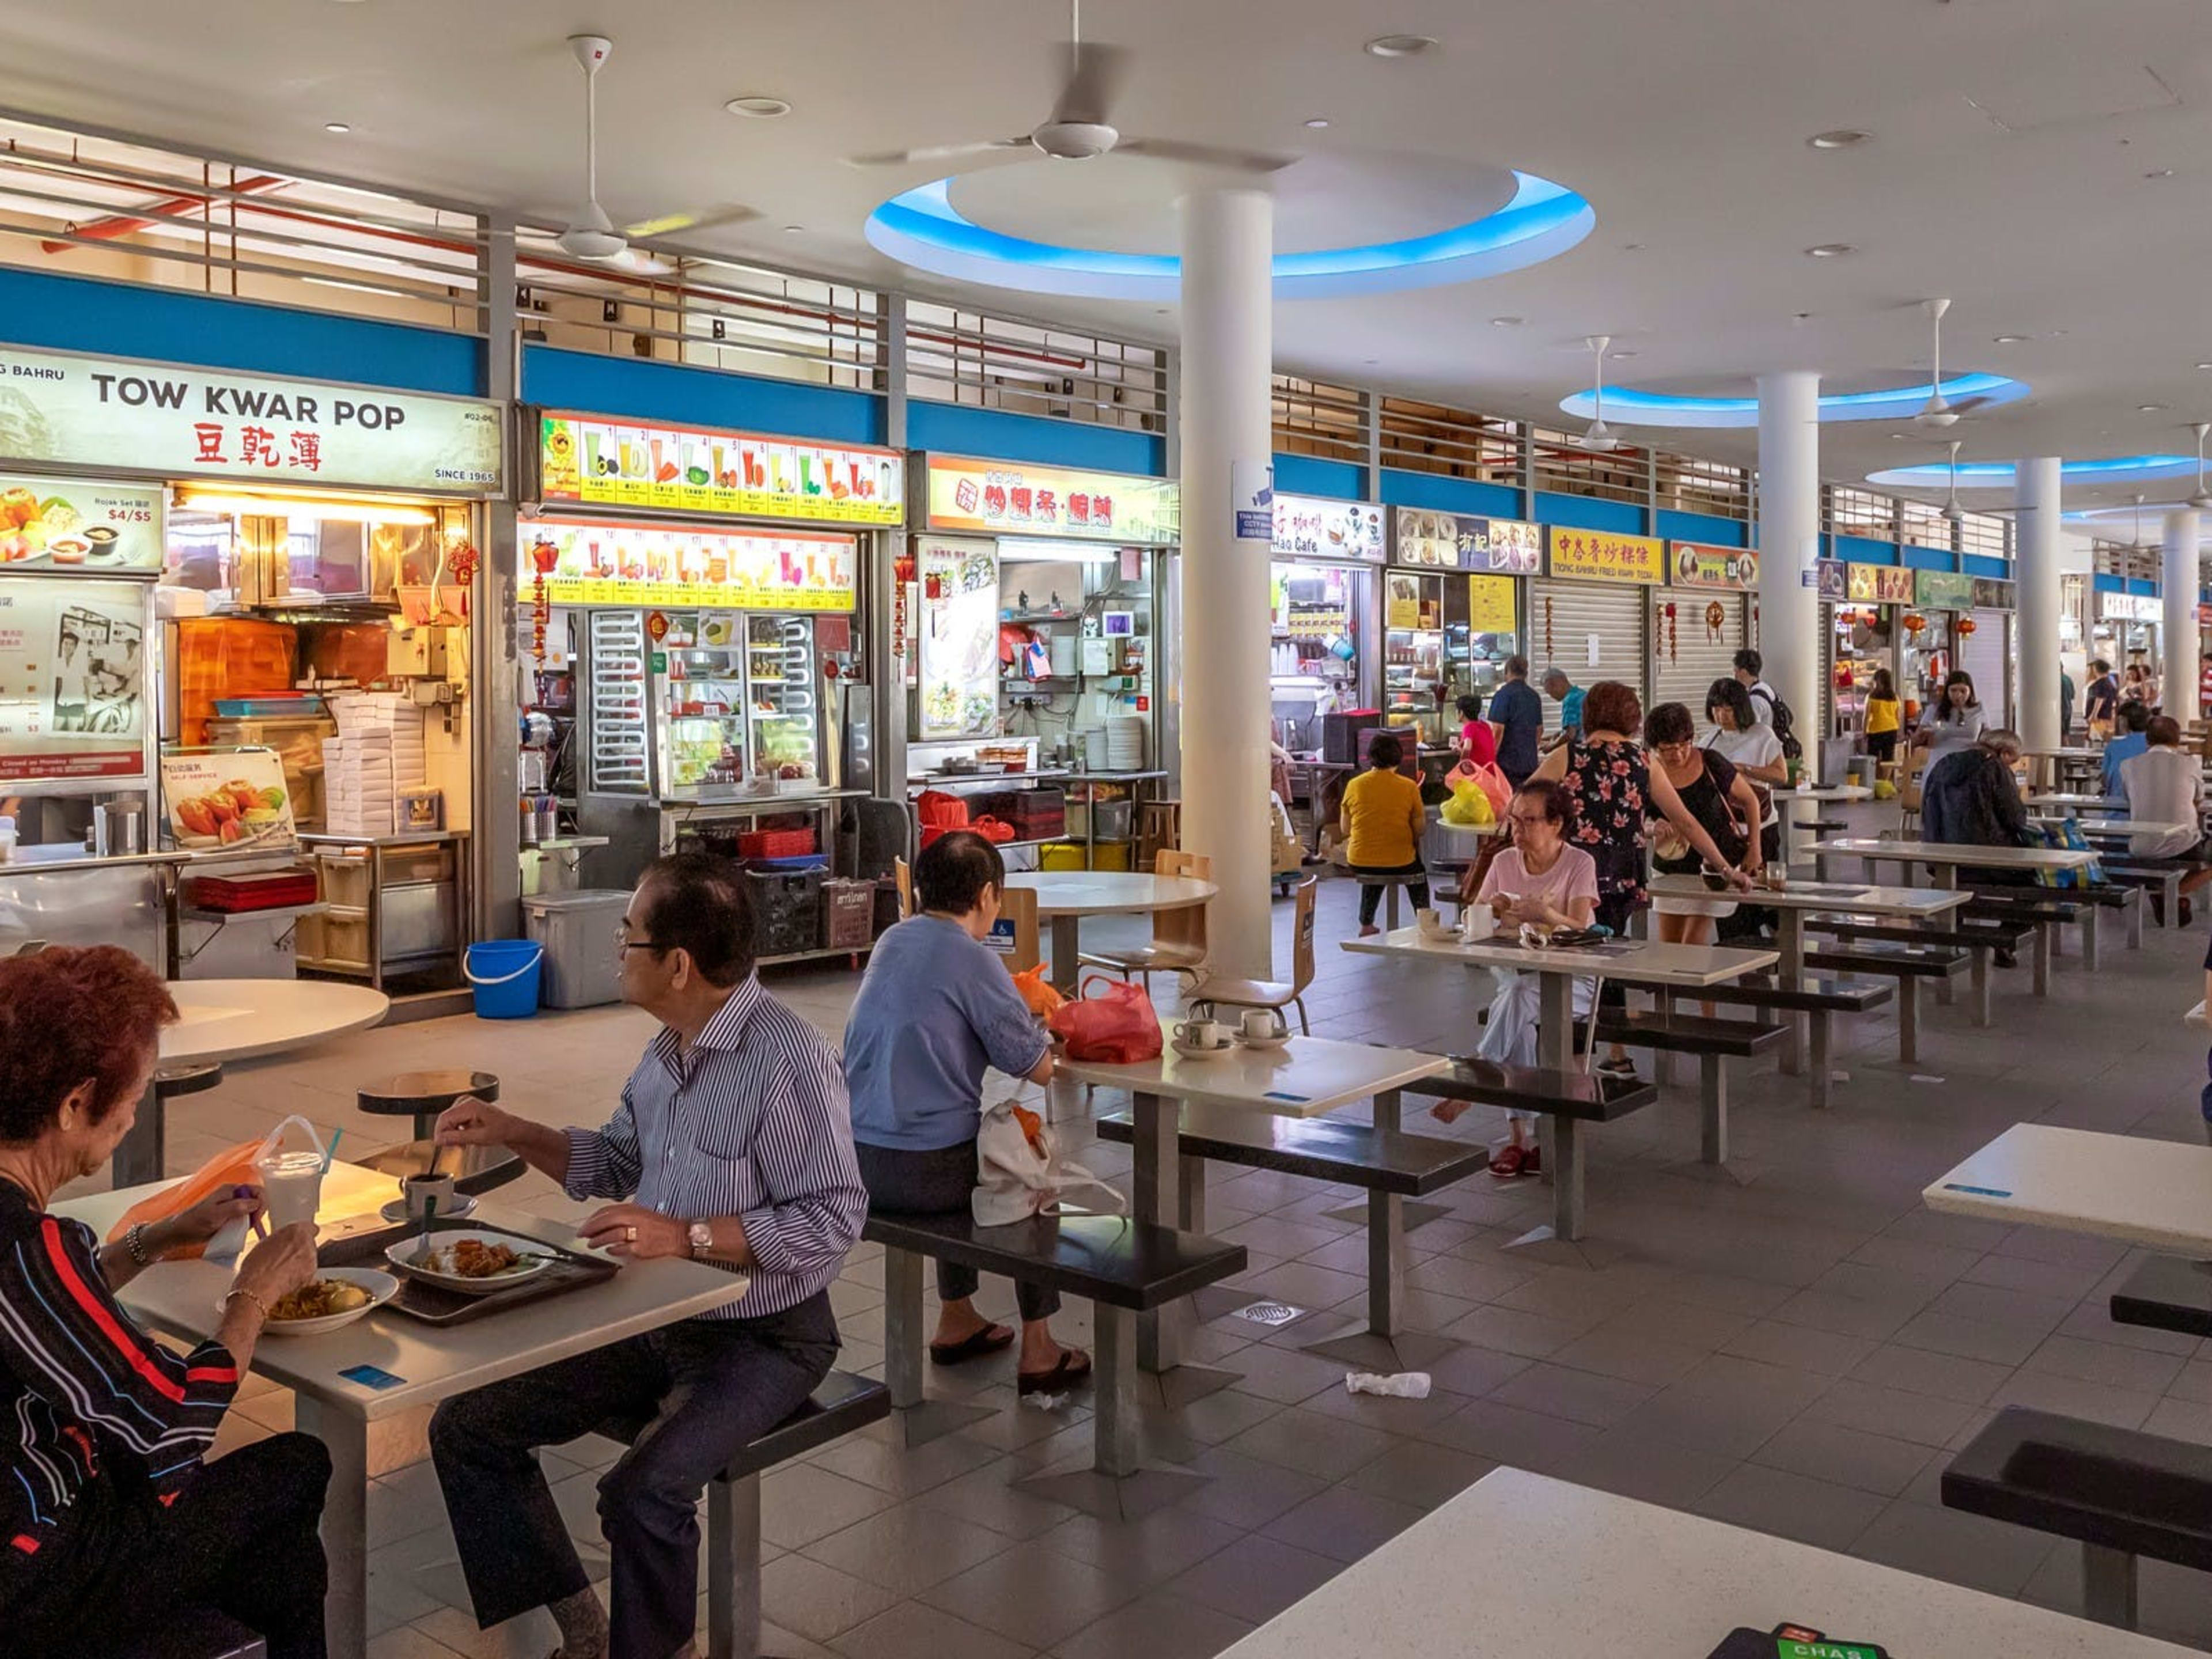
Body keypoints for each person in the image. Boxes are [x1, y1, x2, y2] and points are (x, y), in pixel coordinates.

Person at [430, 854, 866, 1659]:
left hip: (766, 1333)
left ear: (677, 964)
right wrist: (514, 1131)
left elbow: (834, 1217)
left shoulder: (788, 1061)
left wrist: (690, 1236)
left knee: (642, 1493)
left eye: (628, 937)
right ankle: (587, 1631)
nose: (615, 953)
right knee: (469, 1426)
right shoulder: (668, 1051)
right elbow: (617, 1163)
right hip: (655, 1313)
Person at [0, 946, 329, 1659]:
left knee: (264, 1547)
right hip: (30, 1571)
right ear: (75, 1104)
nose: (135, 1109)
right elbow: (171, 1425)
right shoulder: (27, 1245)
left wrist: (160, 1237)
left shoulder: (32, 1248)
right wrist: (255, 1292)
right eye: (138, 1090)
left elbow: (49, 1320)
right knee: (297, 1467)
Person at [843, 831, 1088, 1395]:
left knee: (971, 1140)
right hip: (922, 1173)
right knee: (1031, 1175)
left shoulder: (892, 941)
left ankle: (959, 1318)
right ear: (985, 897)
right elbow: (1038, 1068)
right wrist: (1043, 1017)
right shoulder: (973, 958)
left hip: (858, 1161)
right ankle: (1040, 1347)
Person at [1528, 681, 1755, 1078]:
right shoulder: (1642, 762)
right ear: (1632, 719)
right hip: (1619, 880)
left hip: (1570, 877)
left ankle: (1569, 1060)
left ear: (1590, 715)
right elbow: (1687, 821)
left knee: (1561, 963)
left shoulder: (1568, 755)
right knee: (1608, 960)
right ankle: (1616, 1054)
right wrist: (1725, 868)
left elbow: (1524, 799)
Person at [1429, 781, 1599, 1177]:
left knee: (1518, 999)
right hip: (1516, 973)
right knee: (1518, 1012)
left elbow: (1580, 929)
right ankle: (1525, 1140)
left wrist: (1546, 915)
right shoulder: (1504, 861)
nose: (1518, 831)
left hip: (1572, 979)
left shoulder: (1579, 863)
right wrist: (1494, 907)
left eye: (1529, 821)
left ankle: (1477, 1085)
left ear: (1557, 824)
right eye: (1515, 821)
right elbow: (1478, 920)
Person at [1646, 702, 1764, 961]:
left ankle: (1704, 1001)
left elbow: (1750, 800)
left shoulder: (1711, 762)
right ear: (1655, 748)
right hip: (1671, 867)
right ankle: (1671, 1001)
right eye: (1667, 749)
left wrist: (1755, 847)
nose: (1677, 754)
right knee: (1670, 949)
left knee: (1693, 944)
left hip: (1714, 867)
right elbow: (1639, 818)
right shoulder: (1650, 772)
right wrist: (1652, 827)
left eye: (1683, 745)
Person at [2120, 715, 2211, 925]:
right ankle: (2172, 893)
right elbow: (2198, 800)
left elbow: (2129, 800)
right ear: (2178, 741)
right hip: (2181, 845)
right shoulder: (2190, 764)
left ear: (2147, 740)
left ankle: (2167, 893)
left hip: (2140, 846)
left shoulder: (2128, 765)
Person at [1342, 732, 1429, 937]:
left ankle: (1366, 923)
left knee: (1374, 867)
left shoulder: (1354, 785)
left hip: (1359, 859)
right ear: (1398, 757)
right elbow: (1420, 829)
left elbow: (1346, 830)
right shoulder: (1409, 787)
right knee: (1418, 875)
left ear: (1370, 757)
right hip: (1400, 860)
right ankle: (1426, 924)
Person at [1703, 677, 1787, 867]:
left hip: (1762, 825)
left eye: (1728, 709)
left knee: (1760, 885)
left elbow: (1781, 775)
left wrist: (1742, 769)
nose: (1721, 716)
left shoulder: (1762, 734)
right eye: (1716, 709)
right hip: (1725, 826)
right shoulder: (1708, 741)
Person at [1485, 655, 1544, 786]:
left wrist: (1492, 757)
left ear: (1507, 672)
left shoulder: (1503, 695)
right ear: (1526, 674)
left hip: (1508, 763)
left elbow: (1498, 729)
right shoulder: (1534, 696)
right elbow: (1539, 730)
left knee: (1507, 801)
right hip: (1530, 763)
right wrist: (1530, 751)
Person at [1915, 670, 1986, 759]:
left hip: (1970, 761)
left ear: (1970, 691)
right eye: (1953, 690)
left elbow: (1987, 737)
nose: (1958, 695)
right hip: (1941, 761)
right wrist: (1924, 736)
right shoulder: (1934, 709)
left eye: (1963, 691)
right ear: (1947, 691)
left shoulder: (1979, 709)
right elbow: (1917, 738)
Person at [2101, 701, 2153, 796]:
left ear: (2123, 721)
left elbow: (2105, 781)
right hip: (2147, 807)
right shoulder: (2153, 744)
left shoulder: (2114, 746)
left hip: (2116, 807)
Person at [1863, 668, 1903, 774]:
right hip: (1891, 730)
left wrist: (1864, 732)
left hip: (1875, 731)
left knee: (1873, 759)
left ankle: (1874, 781)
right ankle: (1886, 781)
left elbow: (1866, 717)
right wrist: (1898, 731)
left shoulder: (1871, 697)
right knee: (1888, 759)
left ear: (1878, 682)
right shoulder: (1895, 697)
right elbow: (1898, 716)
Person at [1540, 668, 1585, 752]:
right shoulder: (1581, 694)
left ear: (1559, 682)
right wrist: (1547, 739)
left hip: (1580, 750)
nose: (1552, 696)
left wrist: (1550, 747)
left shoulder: (1570, 700)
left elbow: (1570, 735)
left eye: (1551, 692)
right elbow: (1575, 727)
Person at [1733, 648, 1777, 728]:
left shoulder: (1754, 701)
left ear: (1743, 672)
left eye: (1736, 671)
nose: (1735, 676)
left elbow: (1752, 732)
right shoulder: (1765, 688)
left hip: (1763, 740)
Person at [1455, 693, 1499, 770]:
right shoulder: (1485, 726)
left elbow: (1467, 748)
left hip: (1478, 774)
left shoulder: (1469, 727)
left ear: (1461, 713)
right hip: (1490, 773)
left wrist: (1462, 764)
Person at [2084, 659, 2120, 738]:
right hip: (2104, 716)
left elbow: (2100, 698)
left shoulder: (2102, 683)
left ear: (2096, 669)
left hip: (2100, 718)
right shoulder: (2108, 682)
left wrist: (2094, 715)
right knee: (2100, 738)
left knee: (2098, 739)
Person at [2059, 665, 2076, 743]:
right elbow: (2073, 696)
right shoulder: (2068, 679)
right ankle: (2066, 752)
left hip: (2059, 710)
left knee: (2059, 734)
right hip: (2068, 709)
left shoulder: (2056, 680)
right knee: (2066, 734)